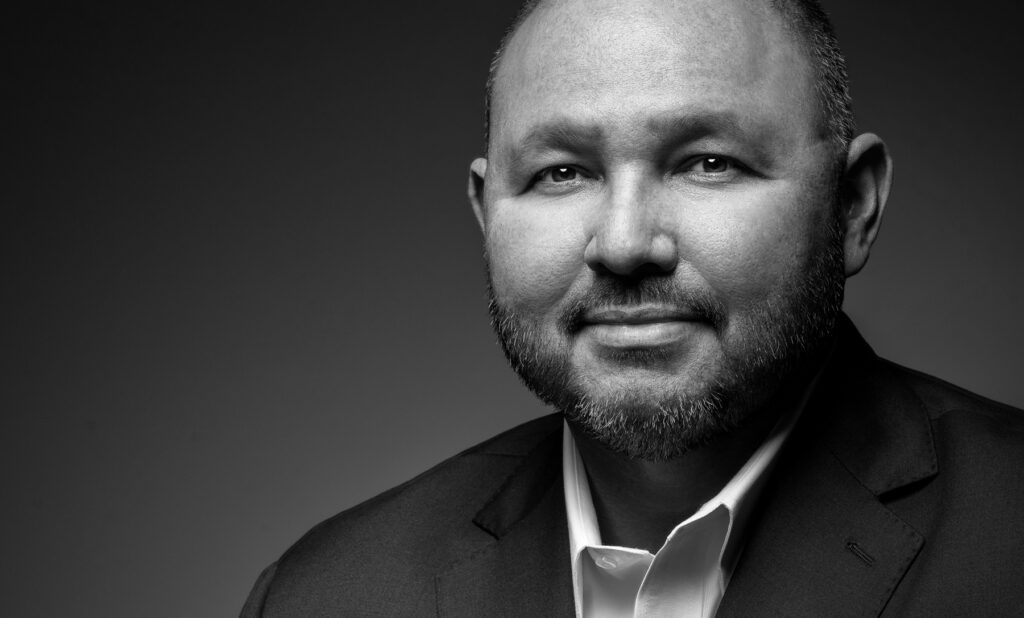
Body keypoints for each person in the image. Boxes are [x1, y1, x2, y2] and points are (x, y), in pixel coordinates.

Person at [241, 0, 1024, 615]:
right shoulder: (329, 597)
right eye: (560, 172)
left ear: (852, 206)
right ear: (487, 217)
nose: (622, 243)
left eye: (708, 162)